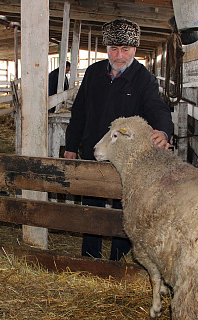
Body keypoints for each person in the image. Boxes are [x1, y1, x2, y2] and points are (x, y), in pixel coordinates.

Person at [64, 19, 174, 261]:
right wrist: (71, 146)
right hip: (93, 152)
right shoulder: (94, 73)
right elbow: (79, 111)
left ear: (134, 49)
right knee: (91, 205)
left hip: (124, 161)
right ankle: (90, 258)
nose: (119, 55)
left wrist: (164, 132)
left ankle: (119, 261)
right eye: (114, 48)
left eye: (125, 49)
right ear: (107, 49)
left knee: (123, 209)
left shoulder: (143, 79)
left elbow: (158, 109)